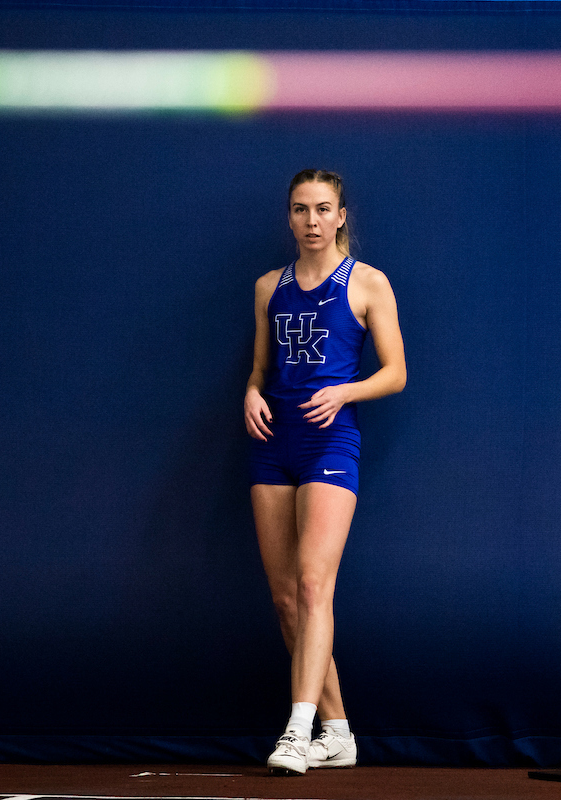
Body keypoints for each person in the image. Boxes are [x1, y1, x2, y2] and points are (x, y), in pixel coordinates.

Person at [244, 169, 406, 776]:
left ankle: (297, 728)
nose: (311, 221)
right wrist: (250, 392)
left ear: (341, 216)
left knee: (315, 584)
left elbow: (396, 372)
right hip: (271, 445)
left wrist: (344, 392)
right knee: (286, 597)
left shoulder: (367, 284)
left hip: (329, 444)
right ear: (288, 217)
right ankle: (338, 733)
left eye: (322, 210)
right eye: (299, 209)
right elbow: (261, 369)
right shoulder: (268, 287)